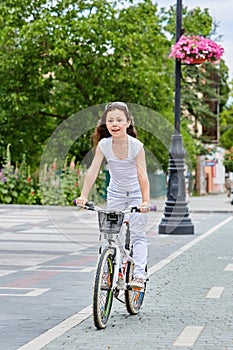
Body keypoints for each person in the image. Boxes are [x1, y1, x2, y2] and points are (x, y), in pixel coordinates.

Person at [76, 101, 150, 289]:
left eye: (119, 120)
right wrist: (83, 195)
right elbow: (93, 170)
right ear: (105, 124)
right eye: (110, 120)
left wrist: (145, 200)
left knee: (137, 235)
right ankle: (115, 270)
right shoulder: (104, 145)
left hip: (135, 193)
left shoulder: (136, 146)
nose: (114, 123)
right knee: (111, 234)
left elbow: (142, 174)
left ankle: (139, 275)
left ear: (128, 123)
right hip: (116, 194)